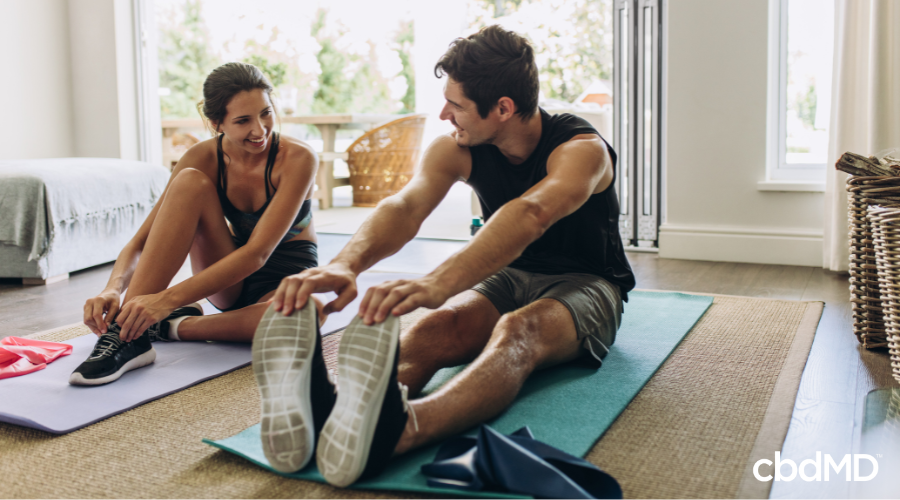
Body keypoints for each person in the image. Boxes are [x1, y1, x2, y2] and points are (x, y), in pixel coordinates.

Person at [249, 25, 636, 486]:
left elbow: (532, 213)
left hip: (589, 283)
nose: (443, 112)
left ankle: (402, 431)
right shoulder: (460, 147)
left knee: (518, 331)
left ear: (503, 109)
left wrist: (438, 282)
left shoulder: (582, 151)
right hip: (511, 274)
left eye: (456, 104)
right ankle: (332, 412)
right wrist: (344, 264)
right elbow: (406, 206)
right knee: (437, 327)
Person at [71, 62, 322, 386]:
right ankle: (126, 336)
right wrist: (113, 288)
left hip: (284, 279)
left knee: (307, 314)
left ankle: (168, 326)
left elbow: (258, 254)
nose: (260, 130)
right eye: (243, 120)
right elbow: (141, 241)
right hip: (226, 275)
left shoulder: (299, 158)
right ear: (216, 123)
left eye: (266, 113)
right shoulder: (202, 158)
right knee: (189, 182)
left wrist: (165, 303)